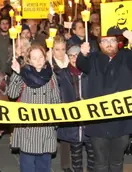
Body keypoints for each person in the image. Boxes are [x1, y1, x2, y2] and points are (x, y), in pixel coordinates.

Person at [76, 30, 132, 172]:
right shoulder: (93, 59)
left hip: (121, 122)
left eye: (112, 40)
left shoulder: (126, 57)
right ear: (99, 45)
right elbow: (81, 64)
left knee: (117, 161)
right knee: (100, 163)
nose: (109, 44)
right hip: (99, 122)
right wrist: (83, 53)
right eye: (105, 41)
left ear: (118, 43)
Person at [8, 45, 60, 172]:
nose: (38, 61)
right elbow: (12, 94)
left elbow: (56, 99)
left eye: (41, 57)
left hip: (46, 127)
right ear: (29, 60)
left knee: (44, 165)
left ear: (45, 57)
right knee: (27, 166)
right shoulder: (23, 73)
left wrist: (56, 122)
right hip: (28, 128)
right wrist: (16, 73)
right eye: (34, 58)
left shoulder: (51, 75)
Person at [56, 45, 94, 172]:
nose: (74, 58)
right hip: (73, 124)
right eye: (71, 55)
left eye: (77, 55)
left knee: (92, 156)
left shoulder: (90, 73)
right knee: (76, 157)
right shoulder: (62, 74)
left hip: (90, 122)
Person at [51, 36, 72, 172]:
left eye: (63, 49)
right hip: (54, 100)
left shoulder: (70, 61)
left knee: (67, 134)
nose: (60, 52)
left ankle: (66, 164)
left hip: (68, 99)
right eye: (57, 49)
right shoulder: (49, 64)